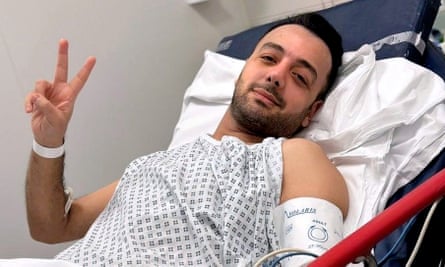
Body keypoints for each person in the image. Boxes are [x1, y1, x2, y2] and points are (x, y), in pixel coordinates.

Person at [24, 12, 348, 266]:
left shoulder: (293, 156)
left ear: (312, 111)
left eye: (300, 77)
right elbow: (50, 227)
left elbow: (313, 259)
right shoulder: (154, 165)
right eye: (268, 58)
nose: (277, 76)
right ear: (243, 69)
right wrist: (48, 143)